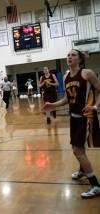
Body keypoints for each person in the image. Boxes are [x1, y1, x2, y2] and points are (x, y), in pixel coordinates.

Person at [42, 49, 100, 198]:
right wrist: (53, 105)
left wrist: (95, 106)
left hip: (86, 116)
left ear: (80, 59)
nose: (70, 57)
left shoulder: (87, 73)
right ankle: (82, 170)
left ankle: (95, 185)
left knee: (78, 151)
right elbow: (67, 99)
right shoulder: (67, 77)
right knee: (76, 147)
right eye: (68, 55)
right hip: (73, 117)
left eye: (73, 55)